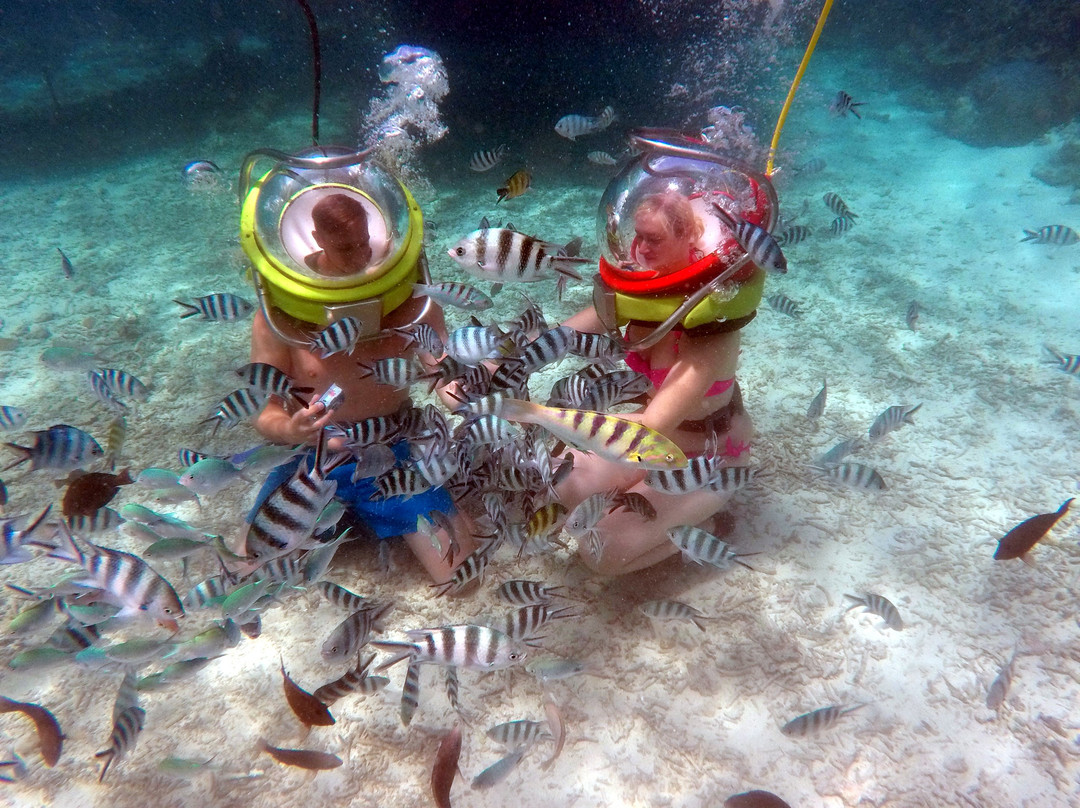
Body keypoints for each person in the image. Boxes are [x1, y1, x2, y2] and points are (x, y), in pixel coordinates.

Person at [249, 193, 476, 583]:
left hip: (390, 449)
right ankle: (343, 522)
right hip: (312, 459)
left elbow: (443, 376)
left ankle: (375, 517)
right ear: (316, 238)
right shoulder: (280, 315)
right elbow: (264, 412)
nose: (358, 256)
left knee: (461, 576)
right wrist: (293, 428)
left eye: (363, 243)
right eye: (344, 247)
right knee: (251, 567)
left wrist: (477, 405)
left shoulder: (411, 302)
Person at [557, 191, 756, 576]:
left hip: (707, 457)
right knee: (561, 483)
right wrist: (503, 357)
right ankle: (652, 507)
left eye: (655, 239)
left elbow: (655, 423)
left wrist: (543, 417)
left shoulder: (715, 325)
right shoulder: (642, 293)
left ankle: (708, 527)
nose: (641, 248)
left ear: (689, 239)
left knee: (600, 553)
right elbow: (564, 334)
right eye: (639, 235)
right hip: (653, 447)